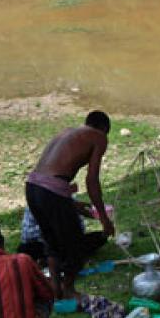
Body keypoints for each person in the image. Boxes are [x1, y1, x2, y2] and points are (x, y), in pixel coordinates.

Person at [25, 110, 114, 299]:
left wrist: (72, 204)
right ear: (104, 128)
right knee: (75, 245)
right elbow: (92, 180)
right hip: (51, 191)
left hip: (32, 187)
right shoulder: (99, 137)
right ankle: (68, 289)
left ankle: (56, 289)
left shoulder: (67, 132)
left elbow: (51, 178)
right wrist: (104, 218)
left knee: (51, 242)